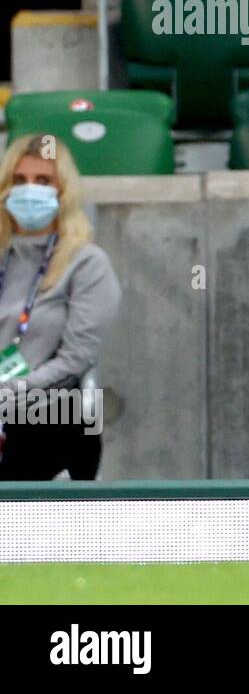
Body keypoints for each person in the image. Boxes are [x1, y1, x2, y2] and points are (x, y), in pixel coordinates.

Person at [0, 134, 122, 480]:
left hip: (49, 419)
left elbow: (74, 360)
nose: (29, 190)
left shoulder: (87, 264)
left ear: (63, 191)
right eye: (19, 180)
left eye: (43, 181)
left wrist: (9, 393)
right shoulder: (2, 257)